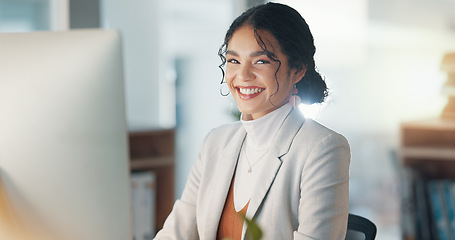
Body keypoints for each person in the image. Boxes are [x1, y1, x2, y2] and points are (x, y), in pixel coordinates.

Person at [154, 2, 350, 240]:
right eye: (234, 61)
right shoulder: (216, 142)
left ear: (297, 70)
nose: (243, 76)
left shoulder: (322, 148)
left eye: (261, 61)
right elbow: (175, 234)